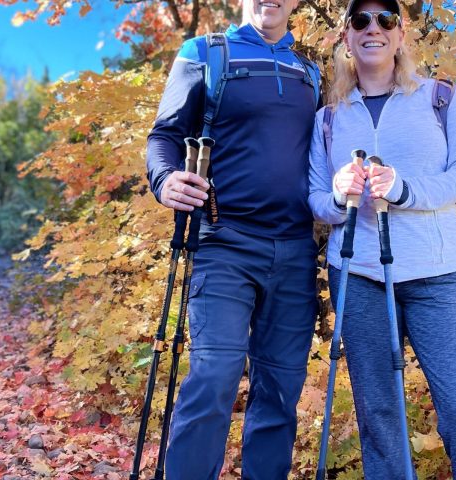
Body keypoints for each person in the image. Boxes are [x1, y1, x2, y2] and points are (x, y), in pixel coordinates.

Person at [308, 0, 456, 478]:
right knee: (379, 417)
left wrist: (405, 190)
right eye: (360, 20)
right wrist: (338, 194)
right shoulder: (329, 118)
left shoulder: (441, 98)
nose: (372, 28)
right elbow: (314, 199)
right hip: (357, 275)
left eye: (385, 20)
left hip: (438, 276)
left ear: (401, 36)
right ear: (346, 37)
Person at [146, 0, 322, 478]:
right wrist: (166, 181)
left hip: (296, 251)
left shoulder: (312, 72)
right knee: (213, 378)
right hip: (224, 242)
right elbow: (164, 135)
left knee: (281, 391)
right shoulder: (204, 51)